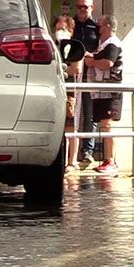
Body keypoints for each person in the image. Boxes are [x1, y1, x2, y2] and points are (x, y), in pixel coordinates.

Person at [83, 14, 123, 174]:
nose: (97, 29)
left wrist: (92, 62)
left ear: (107, 26)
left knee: (107, 125)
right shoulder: (103, 44)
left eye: (99, 26)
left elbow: (108, 63)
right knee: (104, 125)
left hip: (110, 91)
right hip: (100, 91)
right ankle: (107, 160)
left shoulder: (113, 43)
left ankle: (110, 161)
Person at [71, 0, 100, 168]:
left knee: (90, 114)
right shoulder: (71, 24)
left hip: (90, 74)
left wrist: (91, 55)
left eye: (86, 7)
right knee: (71, 114)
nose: (82, 10)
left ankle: (87, 152)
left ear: (92, 8)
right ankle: (69, 156)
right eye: (79, 6)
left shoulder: (97, 27)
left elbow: (101, 49)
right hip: (72, 74)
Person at [53, 15, 82, 171]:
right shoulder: (53, 46)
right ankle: (61, 161)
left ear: (70, 30)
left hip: (70, 90)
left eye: (63, 29)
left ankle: (72, 161)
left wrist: (60, 69)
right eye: (57, 29)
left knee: (72, 126)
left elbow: (76, 68)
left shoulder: (75, 46)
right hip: (56, 90)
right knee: (59, 127)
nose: (60, 32)